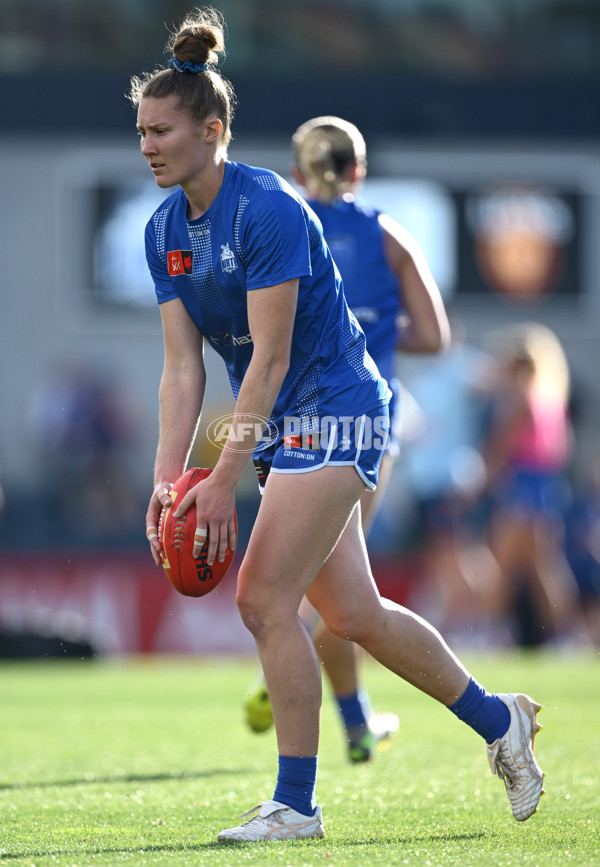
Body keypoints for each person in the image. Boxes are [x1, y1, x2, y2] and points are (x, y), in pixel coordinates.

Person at [131, 7, 545, 843]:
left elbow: (273, 360)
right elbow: (183, 370)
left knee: (262, 596)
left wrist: (216, 481)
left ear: (214, 131)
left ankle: (297, 803)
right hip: (284, 425)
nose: (147, 144)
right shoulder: (163, 232)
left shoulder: (269, 208)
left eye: (163, 129)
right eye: (140, 130)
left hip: (340, 409)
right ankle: (500, 719)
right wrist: (167, 479)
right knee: (354, 614)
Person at [244, 114, 452, 761]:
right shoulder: (388, 235)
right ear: (359, 169)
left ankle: (356, 718)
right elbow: (437, 336)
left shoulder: (281, 226)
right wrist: (374, 338)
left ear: (299, 171)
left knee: (331, 584)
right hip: (363, 419)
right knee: (337, 590)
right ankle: (297, 659)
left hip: (291, 419)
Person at [482, 322, 583, 646]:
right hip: (546, 487)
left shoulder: (522, 399)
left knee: (503, 566)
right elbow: (562, 451)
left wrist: (485, 480)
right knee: (545, 569)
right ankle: (567, 636)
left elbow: (500, 447)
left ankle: (493, 633)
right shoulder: (552, 396)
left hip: (521, 486)